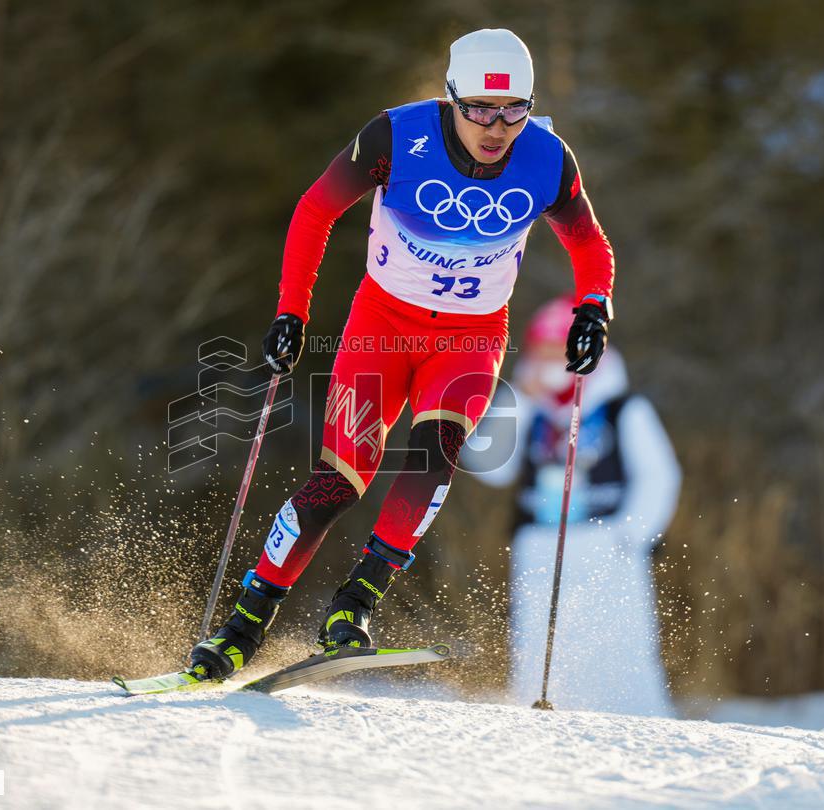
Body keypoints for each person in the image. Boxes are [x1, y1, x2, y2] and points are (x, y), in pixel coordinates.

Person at [188, 28, 616, 681]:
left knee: (434, 451)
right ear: (449, 100)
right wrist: (291, 311)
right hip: (381, 328)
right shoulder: (394, 137)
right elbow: (314, 211)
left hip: (471, 338)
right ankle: (244, 623)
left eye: (512, 110)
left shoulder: (549, 159)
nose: (495, 127)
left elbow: (590, 246)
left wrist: (593, 306)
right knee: (341, 477)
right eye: (477, 108)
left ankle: (352, 610)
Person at [464, 296, 682, 716]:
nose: (546, 361)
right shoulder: (530, 411)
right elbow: (489, 468)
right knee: (538, 644)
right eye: (538, 351)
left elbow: (659, 475)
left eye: (555, 350)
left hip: (607, 545)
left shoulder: (624, 409)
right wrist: (521, 403)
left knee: (621, 644)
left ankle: (637, 721)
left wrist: (631, 535)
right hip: (539, 546)